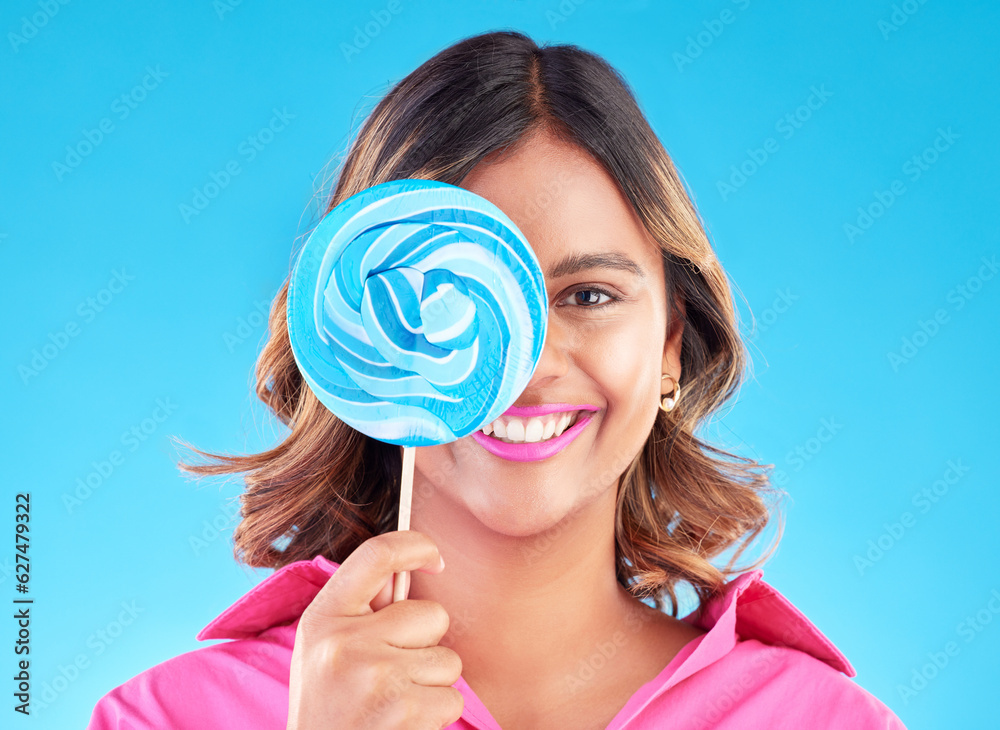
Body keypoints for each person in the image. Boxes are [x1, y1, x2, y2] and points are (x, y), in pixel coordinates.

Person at [88, 30, 906, 729]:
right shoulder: (166, 717)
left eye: (588, 295)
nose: (530, 362)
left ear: (669, 345)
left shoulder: (821, 718)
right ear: (360, 331)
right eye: (448, 294)